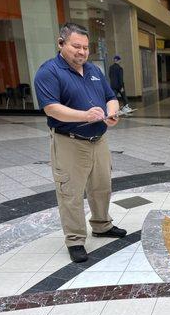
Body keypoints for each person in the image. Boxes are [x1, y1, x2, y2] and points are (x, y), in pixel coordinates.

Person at [34, 22, 127, 263]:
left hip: (99, 139)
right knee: (71, 193)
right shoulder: (49, 72)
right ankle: (75, 239)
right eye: (76, 46)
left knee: (101, 186)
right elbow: (51, 108)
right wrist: (84, 115)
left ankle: (101, 224)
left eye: (86, 48)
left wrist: (112, 112)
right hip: (69, 141)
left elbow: (111, 97)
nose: (82, 52)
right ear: (61, 43)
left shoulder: (94, 70)